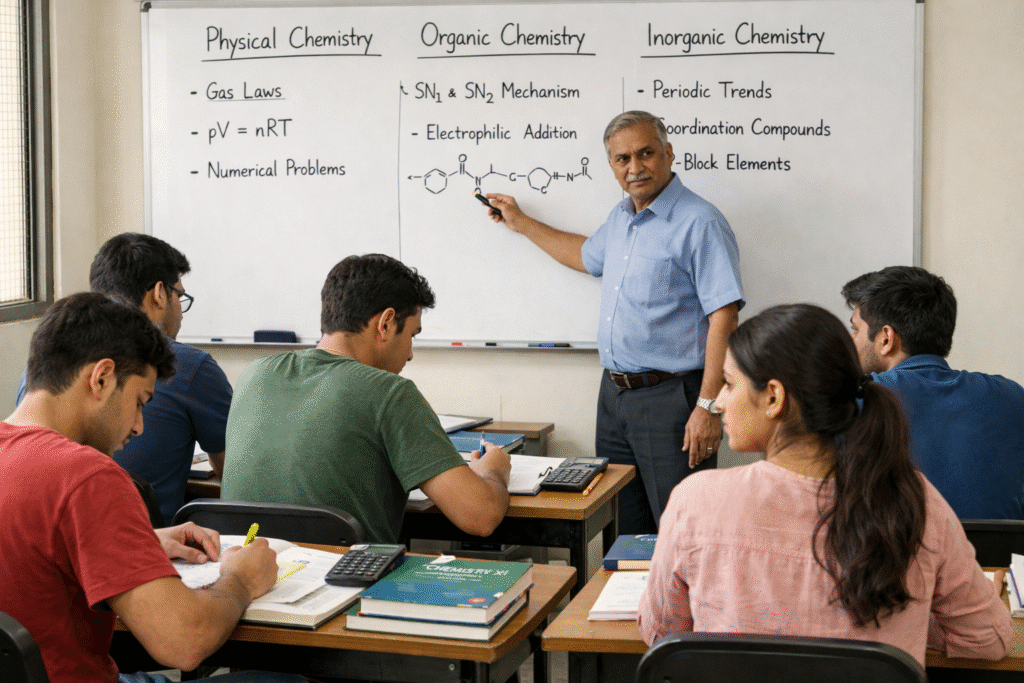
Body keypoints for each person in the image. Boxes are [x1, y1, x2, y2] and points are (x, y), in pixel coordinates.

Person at [637, 303, 1011, 667]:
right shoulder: (915, 500)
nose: (718, 402)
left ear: (773, 397)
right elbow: (989, 640)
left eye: (729, 385)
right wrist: (914, 620)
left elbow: (660, 633)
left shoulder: (696, 500)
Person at [0, 292, 303, 683]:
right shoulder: (87, 477)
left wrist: (141, 543)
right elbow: (185, 643)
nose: (139, 425)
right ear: (101, 378)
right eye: (141, 401)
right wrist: (240, 580)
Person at [484, 110, 744, 533]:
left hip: (672, 400)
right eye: (622, 159)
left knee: (681, 531)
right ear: (612, 166)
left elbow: (724, 317)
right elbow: (586, 256)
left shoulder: (700, 222)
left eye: (646, 154)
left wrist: (709, 406)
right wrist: (522, 223)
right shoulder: (622, 218)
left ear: (668, 152)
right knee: (623, 528)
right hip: (615, 397)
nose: (635, 167)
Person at [222, 253, 511, 543]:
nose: (410, 353)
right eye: (412, 334)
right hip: (345, 581)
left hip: (247, 572)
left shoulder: (254, 375)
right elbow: (480, 517)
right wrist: (492, 471)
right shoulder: (390, 393)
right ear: (385, 323)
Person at [16, 232, 233, 526]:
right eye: (179, 296)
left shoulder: (47, 365)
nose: (137, 426)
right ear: (159, 293)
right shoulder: (95, 482)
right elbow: (234, 476)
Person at [842, 265, 1024, 519]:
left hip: (904, 557)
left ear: (886, 338)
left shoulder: (861, 400)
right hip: (999, 559)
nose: (851, 340)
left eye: (856, 329)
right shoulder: (1013, 398)